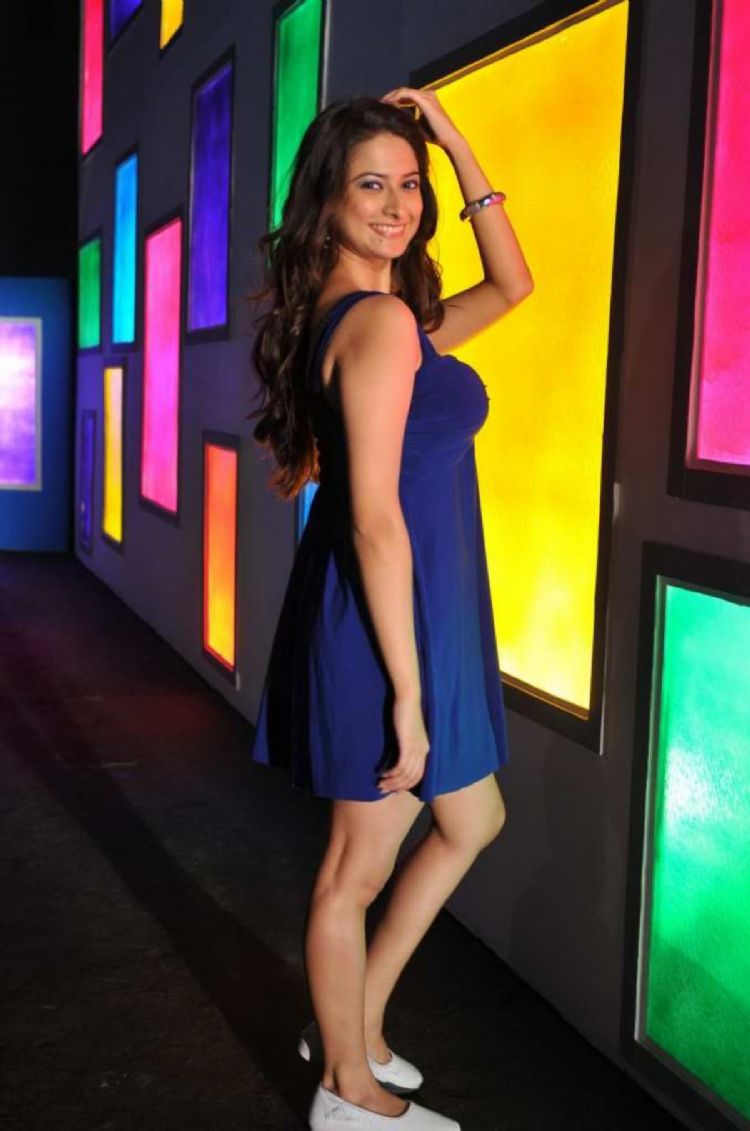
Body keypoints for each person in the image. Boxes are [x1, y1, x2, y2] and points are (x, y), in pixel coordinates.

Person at [247, 88, 533, 1131]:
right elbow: (372, 521)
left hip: (421, 612)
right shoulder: (373, 324)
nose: (398, 205)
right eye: (372, 184)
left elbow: (514, 284)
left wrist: (454, 142)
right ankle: (346, 1092)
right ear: (326, 202)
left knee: (474, 818)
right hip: (385, 625)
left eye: (409, 185)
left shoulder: (390, 317)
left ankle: (352, 1024)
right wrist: (408, 697)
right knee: (352, 871)